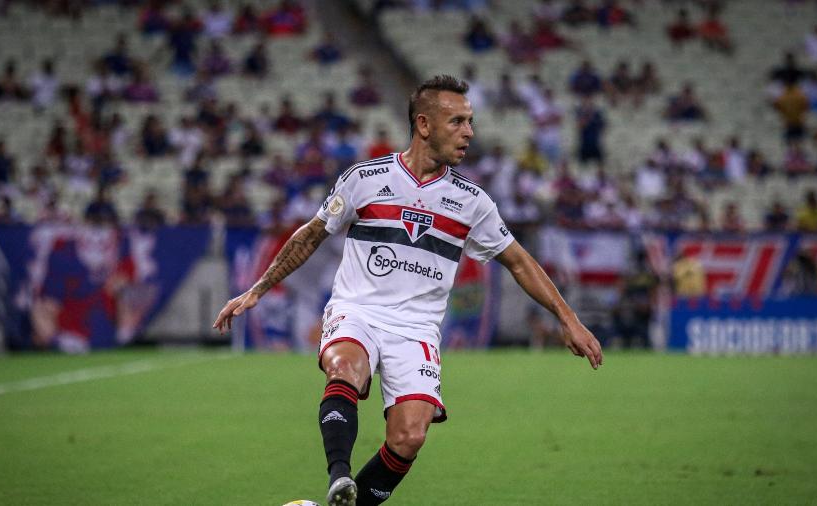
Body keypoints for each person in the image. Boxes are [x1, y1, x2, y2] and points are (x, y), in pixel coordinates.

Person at [212, 75, 603, 506]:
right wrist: (257, 289)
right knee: (346, 369)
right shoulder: (365, 178)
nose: (469, 132)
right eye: (457, 121)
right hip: (356, 309)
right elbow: (310, 235)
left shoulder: (473, 202)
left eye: (470, 121)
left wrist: (569, 319)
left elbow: (520, 261)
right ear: (424, 124)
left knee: (410, 436)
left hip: (417, 329)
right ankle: (339, 477)